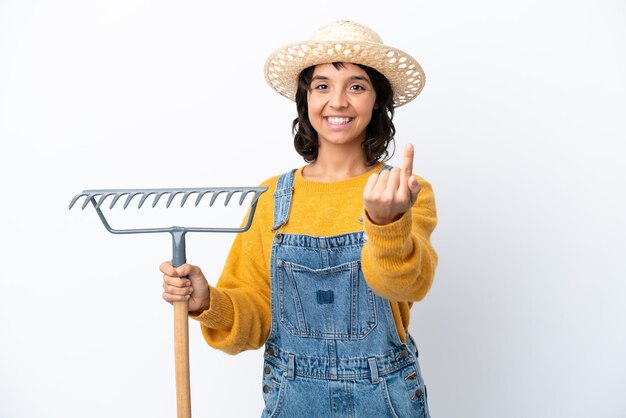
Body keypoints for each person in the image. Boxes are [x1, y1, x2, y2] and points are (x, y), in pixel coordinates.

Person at [160, 20, 437, 417]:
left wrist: (387, 224)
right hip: (293, 398)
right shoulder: (273, 198)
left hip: (385, 399)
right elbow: (254, 318)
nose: (337, 102)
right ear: (306, 98)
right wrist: (208, 302)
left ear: (377, 100)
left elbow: (406, 284)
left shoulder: (405, 191)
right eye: (322, 85)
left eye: (356, 86)